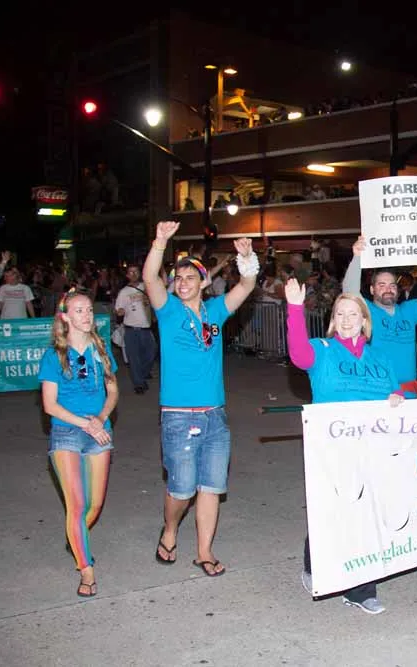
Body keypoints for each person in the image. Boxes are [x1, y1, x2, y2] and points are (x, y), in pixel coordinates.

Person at [144, 221, 258, 577]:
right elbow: (149, 278)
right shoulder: (168, 311)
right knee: (181, 490)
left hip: (215, 416)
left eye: (190, 277)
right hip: (179, 415)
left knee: (210, 487)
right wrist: (160, 242)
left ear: (203, 282)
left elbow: (247, 285)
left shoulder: (215, 311)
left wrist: (247, 258)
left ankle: (204, 552)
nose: (182, 282)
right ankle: (170, 529)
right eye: (178, 278)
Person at [285, 278, 404, 615]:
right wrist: (294, 308)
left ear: (365, 320)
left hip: (373, 448)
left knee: (364, 515)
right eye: (340, 313)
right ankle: (315, 564)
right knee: (333, 512)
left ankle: (360, 589)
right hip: (332, 449)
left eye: (354, 314)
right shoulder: (322, 350)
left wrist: (398, 398)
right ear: (333, 320)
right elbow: (298, 354)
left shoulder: (380, 357)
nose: (347, 319)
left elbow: (395, 392)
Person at [38, 289, 119, 598]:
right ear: (65, 317)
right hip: (67, 433)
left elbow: (113, 391)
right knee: (77, 505)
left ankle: (75, 535)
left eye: (89, 310)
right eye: (79, 310)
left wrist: (101, 418)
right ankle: (87, 570)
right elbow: (50, 405)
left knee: (95, 505)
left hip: (100, 431)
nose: (87, 315)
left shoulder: (100, 349)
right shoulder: (54, 355)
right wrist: (86, 423)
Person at [342, 237, 417, 395]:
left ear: (397, 290)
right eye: (381, 285)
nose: (388, 289)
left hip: (409, 393)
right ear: (372, 290)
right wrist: (357, 258)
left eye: (392, 285)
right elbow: (350, 292)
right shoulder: (367, 311)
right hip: (378, 392)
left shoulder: (409, 311)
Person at [113, 264, 157, 395]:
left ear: (140, 273)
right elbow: (118, 310)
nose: (133, 274)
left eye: (136, 271)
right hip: (131, 329)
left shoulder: (147, 287)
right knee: (134, 358)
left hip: (146, 328)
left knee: (151, 352)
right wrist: (120, 312)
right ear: (127, 275)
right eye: (130, 272)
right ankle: (139, 383)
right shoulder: (124, 292)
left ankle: (142, 373)